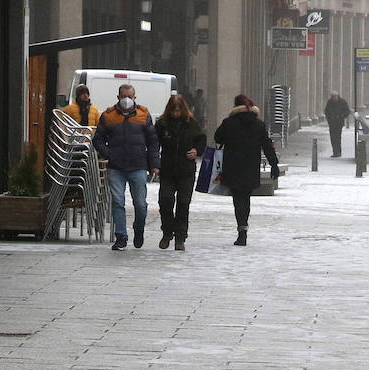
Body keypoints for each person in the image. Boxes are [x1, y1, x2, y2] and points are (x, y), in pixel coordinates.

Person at [93, 83, 160, 251]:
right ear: (118, 97)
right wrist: (109, 154)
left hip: (138, 165)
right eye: (124, 96)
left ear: (135, 97)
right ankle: (121, 236)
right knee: (117, 201)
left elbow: (153, 142)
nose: (127, 100)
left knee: (140, 204)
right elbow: (98, 140)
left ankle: (139, 229)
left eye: (130, 96)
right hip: (116, 167)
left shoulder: (143, 114)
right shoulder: (108, 116)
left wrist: (154, 165)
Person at [213, 94, 281, 247]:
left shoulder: (229, 123)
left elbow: (218, 138)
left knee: (238, 199)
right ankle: (243, 228)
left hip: (233, 167)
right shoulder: (259, 124)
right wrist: (274, 165)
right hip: (251, 167)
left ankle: (241, 230)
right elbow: (267, 145)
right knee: (246, 198)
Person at [153, 94, 206, 251]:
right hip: (168, 169)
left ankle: (180, 238)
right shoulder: (162, 124)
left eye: (178, 110)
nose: (176, 113)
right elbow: (154, 143)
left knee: (183, 204)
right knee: (165, 201)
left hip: (186, 170)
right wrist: (155, 163)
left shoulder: (191, 124)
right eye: (173, 110)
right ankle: (167, 232)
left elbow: (201, 139)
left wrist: (196, 151)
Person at [324, 92, 350, 157]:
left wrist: (341, 116)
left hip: (339, 123)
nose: (333, 98)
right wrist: (329, 119)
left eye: (334, 97)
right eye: (332, 97)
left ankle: (338, 152)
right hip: (332, 123)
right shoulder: (330, 102)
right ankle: (335, 151)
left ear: (337, 96)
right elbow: (326, 111)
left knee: (338, 137)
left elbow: (347, 111)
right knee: (332, 137)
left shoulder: (342, 102)